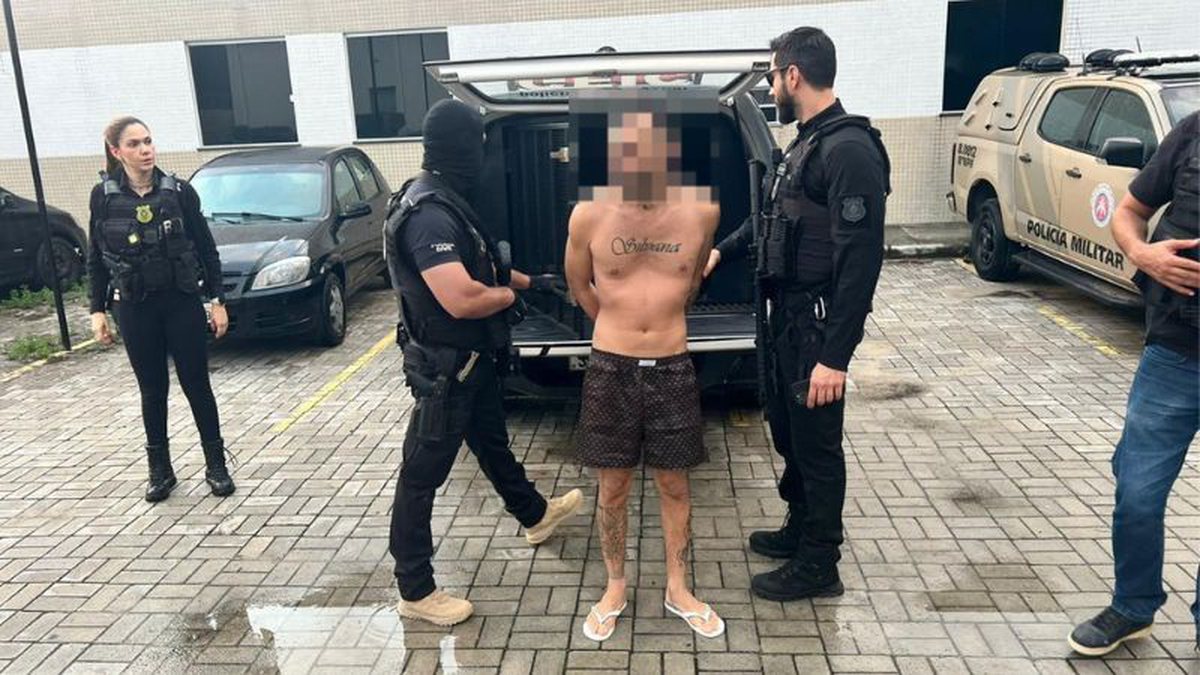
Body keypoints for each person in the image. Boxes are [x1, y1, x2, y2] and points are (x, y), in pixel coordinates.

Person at [704, 26, 891, 601]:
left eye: (772, 76)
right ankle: (799, 527)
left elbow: (860, 263)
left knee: (817, 445)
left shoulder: (848, 150)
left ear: (793, 75)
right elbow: (769, 219)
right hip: (788, 320)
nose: (770, 88)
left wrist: (836, 357)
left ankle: (819, 563)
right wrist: (721, 251)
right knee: (789, 433)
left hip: (816, 327)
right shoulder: (806, 144)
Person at [384, 99, 582, 627]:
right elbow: (462, 297)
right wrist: (507, 299)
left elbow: (481, 264)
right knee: (421, 475)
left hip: (471, 363)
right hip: (446, 370)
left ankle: (535, 515)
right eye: (478, 143)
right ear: (459, 147)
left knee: (492, 444)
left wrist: (534, 283)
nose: (483, 154)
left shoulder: (444, 198)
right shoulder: (427, 216)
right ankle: (415, 588)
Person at [566, 107, 724, 641]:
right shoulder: (589, 215)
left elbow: (692, 280)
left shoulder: (701, 212)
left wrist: (660, 325)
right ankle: (615, 586)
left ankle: (678, 588)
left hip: (673, 365)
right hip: (611, 365)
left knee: (674, 483)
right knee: (612, 486)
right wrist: (617, 327)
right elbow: (579, 285)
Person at [1068, 111, 1199, 656]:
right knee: (1137, 493)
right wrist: (1144, 254)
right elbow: (1129, 212)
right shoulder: (1192, 133)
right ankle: (1133, 605)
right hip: (1175, 351)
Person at [88, 116, 235, 503]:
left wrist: (217, 301)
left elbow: (207, 250)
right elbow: (96, 256)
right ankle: (160, 471)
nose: (145, 150)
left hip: (180, 302)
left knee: (197, 385)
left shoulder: (180, 192)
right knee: (152, 390)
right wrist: (97, 309)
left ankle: (216, 465)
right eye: (134, 144)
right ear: (117, 152)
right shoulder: (103, 196)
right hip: (135, 307)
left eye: (148, 141)